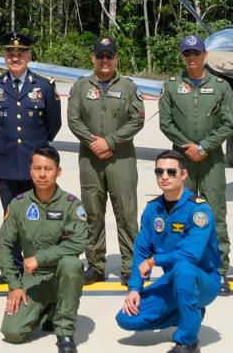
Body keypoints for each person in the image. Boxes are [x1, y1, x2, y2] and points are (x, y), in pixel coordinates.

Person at [116, 150, 221, 353]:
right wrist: (135, 288)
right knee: (127, 318)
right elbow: (141, 251)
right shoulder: (152, 209)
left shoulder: (199, 211)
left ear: (183, 174)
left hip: (203, 281)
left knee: (184, 268)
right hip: (173, 281)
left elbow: (190, 255)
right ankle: (189, 313)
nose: (164, 176)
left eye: (171, 172)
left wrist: (154, 261)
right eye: (160, 171)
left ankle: (188, 342)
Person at [158, 33, 233, 295]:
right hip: (182, 161)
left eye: (196, 53)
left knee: (215, 214)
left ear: (205, 55)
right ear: (183, 56)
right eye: (187, 53)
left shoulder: (221, 86)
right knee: (179, 214)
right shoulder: (171, 86)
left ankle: (219, 270)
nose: (192, 58)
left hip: (211, 159)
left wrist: (204, 147)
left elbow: (229, 122)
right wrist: (187, 146)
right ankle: (179, 269)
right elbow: (166, 122)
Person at [0, 30, 61, 284]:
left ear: (29, 56)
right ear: (4, 56)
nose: (15, 57)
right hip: (6, 162)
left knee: (37, 216)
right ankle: (13, 267)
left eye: (20, 53)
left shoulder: (44, 86)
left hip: (35, 165)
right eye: (10, 53)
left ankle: (38, 264)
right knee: (10, 217)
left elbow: (53, 126)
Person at [66, 35, 144, 285]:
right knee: (92, 213)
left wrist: (109, 142)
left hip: (121, 158)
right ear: (93, 58)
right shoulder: (81, 87)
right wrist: (93, 142)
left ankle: (130, 266)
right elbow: (73, 119)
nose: (104, 60)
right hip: (90, 159)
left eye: (109, 56)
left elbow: (137, 119)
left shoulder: (129, 87)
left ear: (116, 58)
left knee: (126, 214)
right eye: (100, 55)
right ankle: (96, 264)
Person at [0, 147, 85, 352]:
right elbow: (5, 246)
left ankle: (64, 330)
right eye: (37, 169)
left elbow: (79, 242)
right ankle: (48, 309)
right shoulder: (18, 205)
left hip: (60, 275)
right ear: (30, 171)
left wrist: (40, 258)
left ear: (58, 171)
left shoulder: (71, 205)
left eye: (48, 169)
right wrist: (14, 285)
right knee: (12, 332)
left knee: (72, 264)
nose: (42, 174)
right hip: (33, 278)